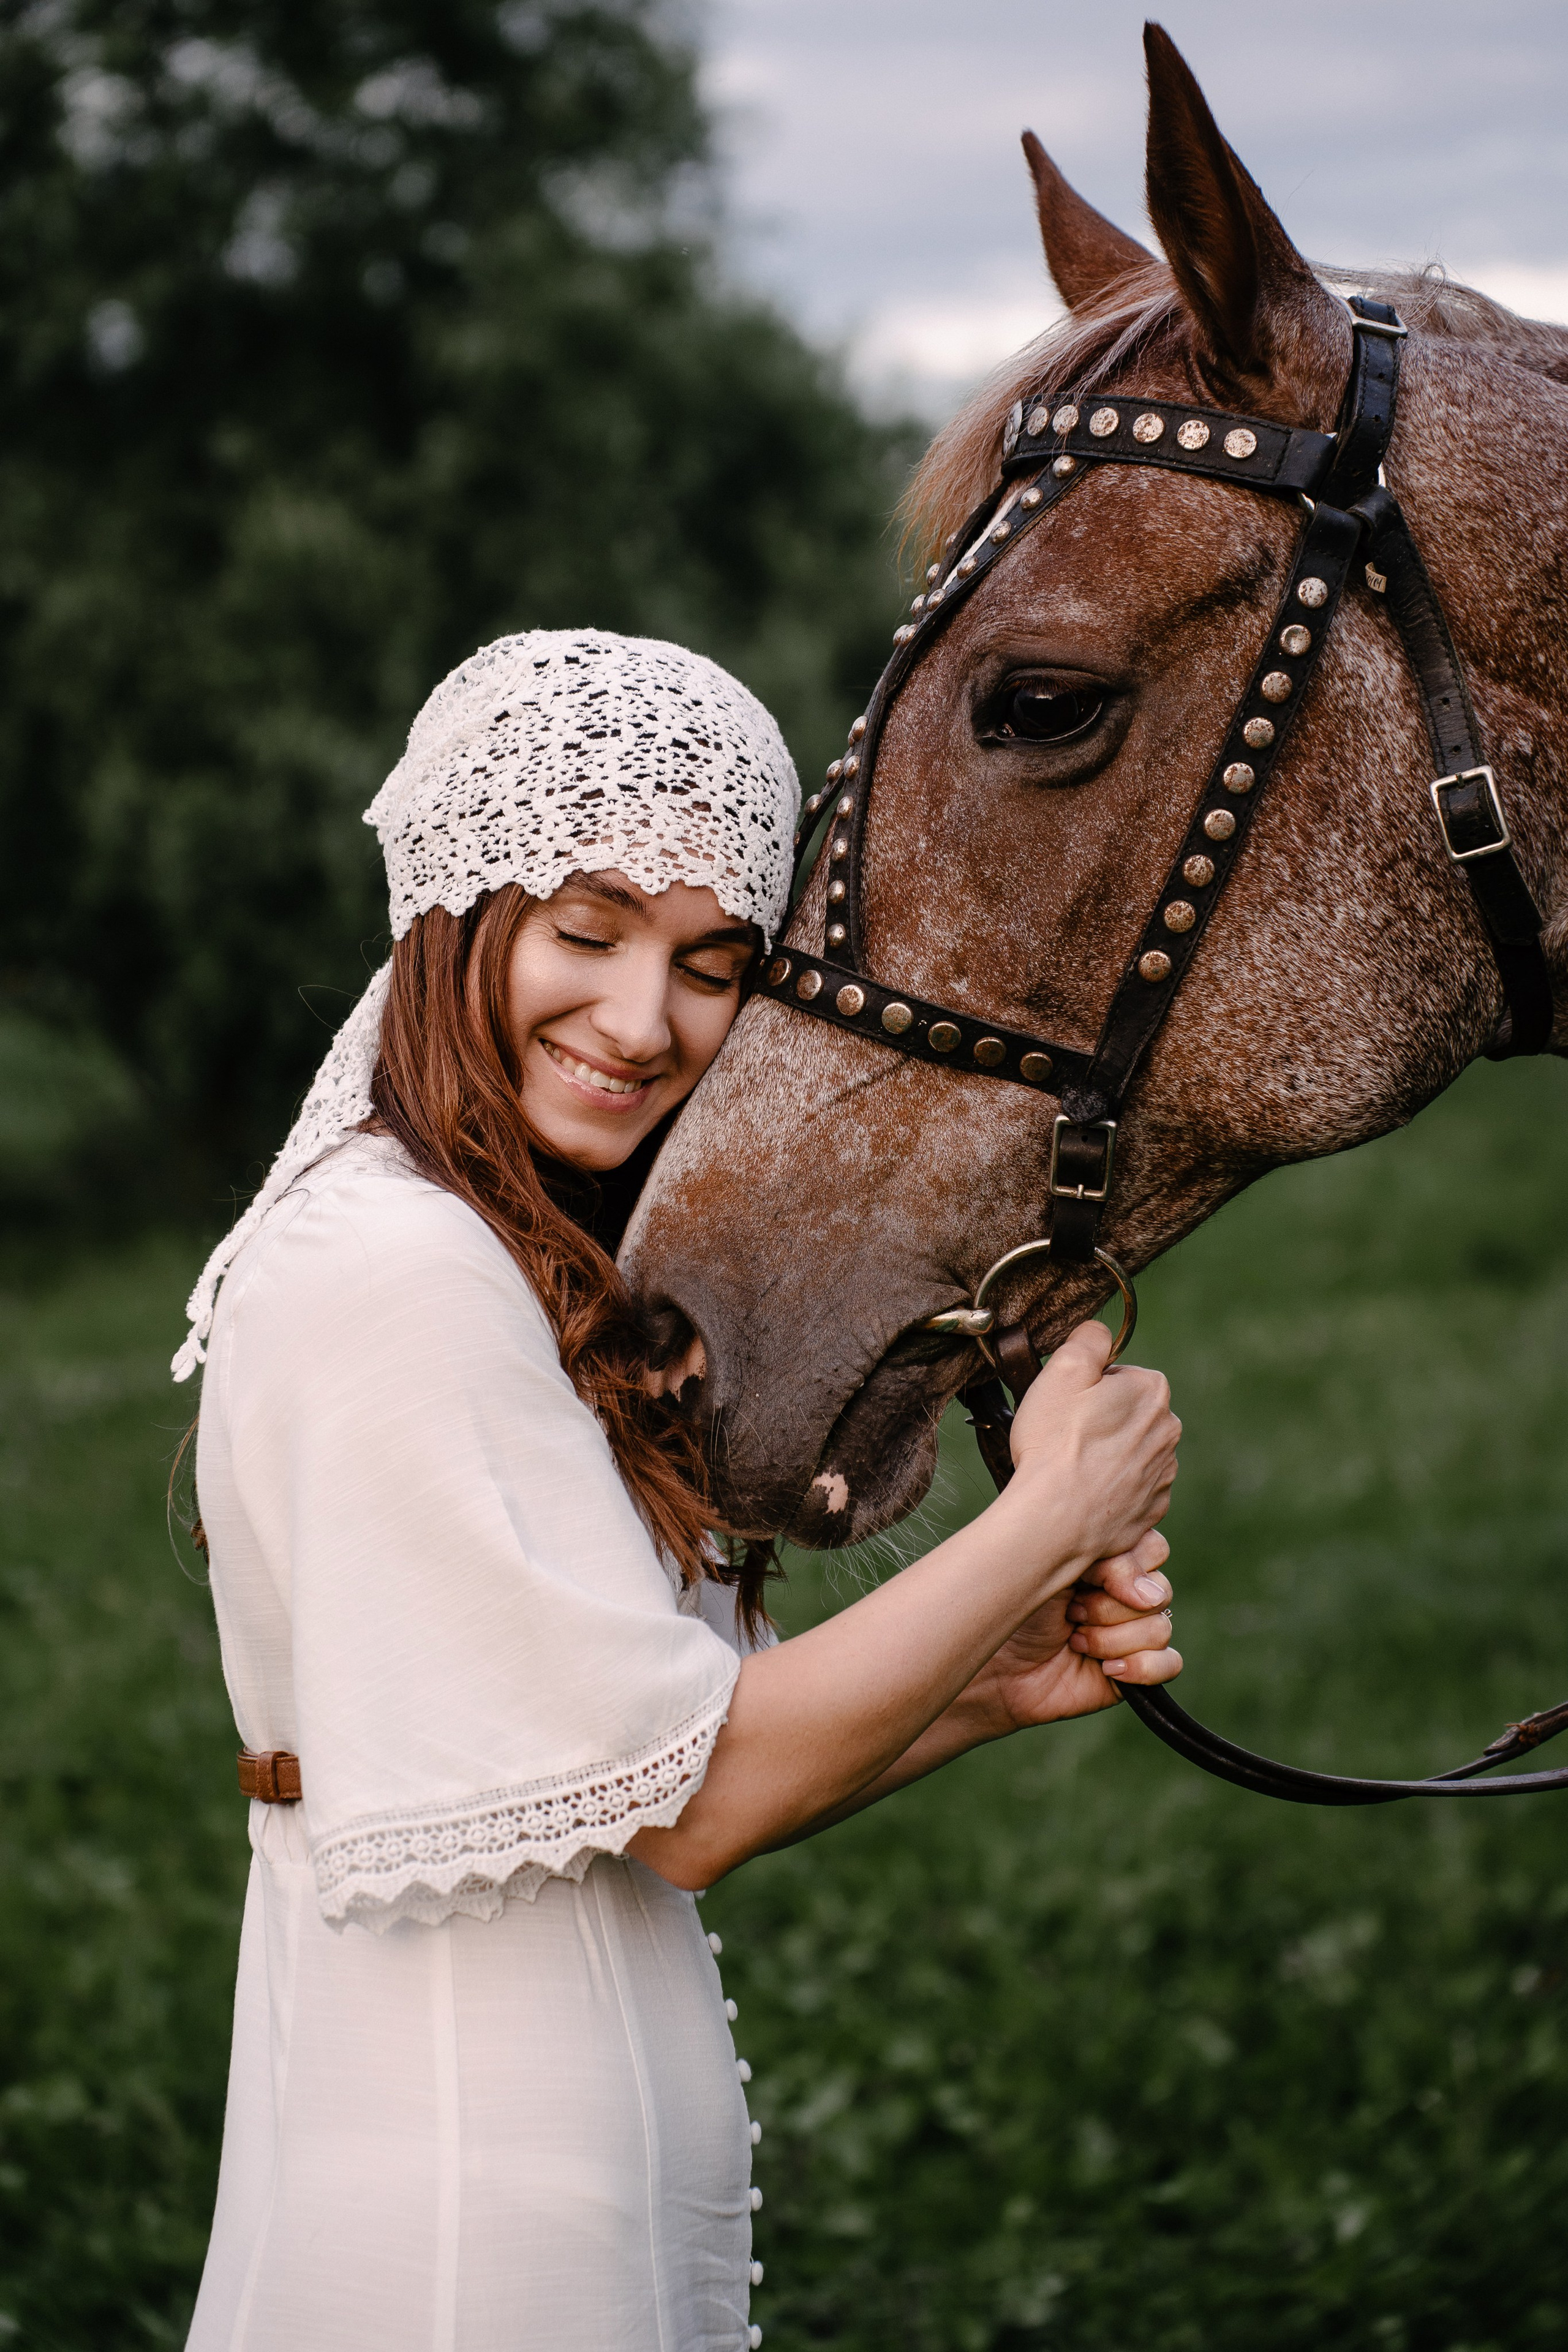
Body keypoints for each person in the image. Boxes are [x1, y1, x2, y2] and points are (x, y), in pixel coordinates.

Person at [175, 628, 1182, 2352]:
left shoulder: (491, 1257)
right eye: (584, 933)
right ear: (453, 908)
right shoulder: (391, 1273)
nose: (643, 1021)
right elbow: (693, 1804)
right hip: (464, 2220)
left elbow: (612, 1779)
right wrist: (1051, 1518)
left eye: (714, 963)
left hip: (536, 2179)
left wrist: (983, 1687)